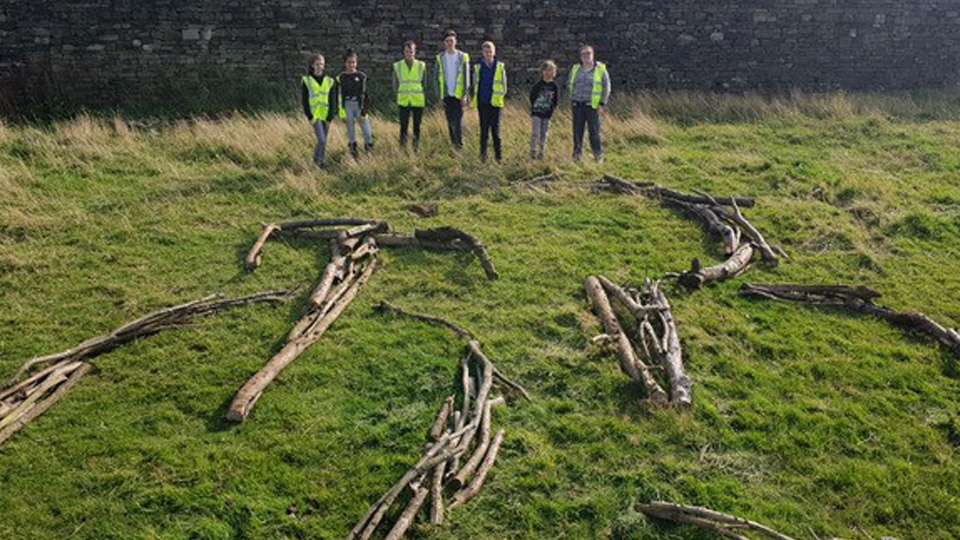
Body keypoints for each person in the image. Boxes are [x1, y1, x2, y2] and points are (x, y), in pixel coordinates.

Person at [569, 44, 611, 162]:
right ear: (580, 56)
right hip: (577, 105)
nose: (586, 56)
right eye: (583, 54)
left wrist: (602, 103)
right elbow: (570, 83)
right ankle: (577, 156)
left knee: (594, 132)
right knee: (577, 131)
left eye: (588, 53)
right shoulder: (575, 69)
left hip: (592, 106)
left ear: (593, 55)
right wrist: (572, 98)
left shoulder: (601, 69)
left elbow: (606, 87)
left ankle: (598, 155)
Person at [472, 41, 507, 163]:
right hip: (483, 102)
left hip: (496, 104)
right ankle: (483, 157)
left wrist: (499, 98)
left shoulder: (500, 66)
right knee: (483, 131)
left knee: (496, 132)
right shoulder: (478, 68)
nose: (488, 53)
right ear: (482, 53)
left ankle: (499, 157)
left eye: (490, 51)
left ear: (494, 52)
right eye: (486, 51)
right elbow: (475, 84)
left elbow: (504, 86)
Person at [301, 52, 338, 168]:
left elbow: (333, 101)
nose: (320, 66)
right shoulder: (307, 81)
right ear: (312, 65)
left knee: (324, 141)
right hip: (315, 115)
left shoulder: (329, 81)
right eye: (317, 64)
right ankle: (316, 162)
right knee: (321, 140)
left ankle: (321, 162)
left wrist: (330, 117)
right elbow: (305, 100)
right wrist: (309, 116)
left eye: (322, 64)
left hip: (326, 116)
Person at [435, 29, 470, 150]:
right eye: (447, 41)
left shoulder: (463, 57)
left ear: (456, 42)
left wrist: (465, 94)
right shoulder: (440, 58)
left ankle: (459, 146)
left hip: (458, 95)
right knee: (450, 122)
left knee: (458, 122)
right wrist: (439, 95)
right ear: (444, 43)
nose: (449, 43)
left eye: (451, 41)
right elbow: (436, 78)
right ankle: (453, 145)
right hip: (446, 95)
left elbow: (466, 77)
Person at [338, 49, 373, 159]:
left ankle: (369, 153)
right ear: (345, 63)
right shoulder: (341, 77)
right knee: (351, 132)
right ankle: (354, 154)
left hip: (359, 106)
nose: (351, 65)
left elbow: (366, 95)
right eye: (349, 62)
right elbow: (339, 97)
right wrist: (341, 113)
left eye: (353, 62)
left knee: (366, 131)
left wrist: (364, 112)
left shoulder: (362, 76)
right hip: (347, 105)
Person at [393, 40, 426, 151]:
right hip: (404, 100)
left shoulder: (421, 65)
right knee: (403, 126)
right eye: (407, 51)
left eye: (411, 51)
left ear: (415, 52)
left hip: (417, 100)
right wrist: (397, 94)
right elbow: (395, 83)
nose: (409, 53)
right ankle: (402, 148)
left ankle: (415, 148)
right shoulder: (398, 66)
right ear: (404, 52)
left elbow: (425, 83)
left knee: (417, 126)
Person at [529, 60, 559, 160]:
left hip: (547, 113)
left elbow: (555, 100)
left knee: (544, 133)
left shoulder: (554, 86)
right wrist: (535, 107)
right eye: (545, 70)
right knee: (535, 132)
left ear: (554, 72)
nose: (548, 73)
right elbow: (532, 97)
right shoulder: (538, 85)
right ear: (542, 72)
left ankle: (542, 152)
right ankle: (533, 151)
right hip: (537, 112)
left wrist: (551, 110)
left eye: (550, 70)